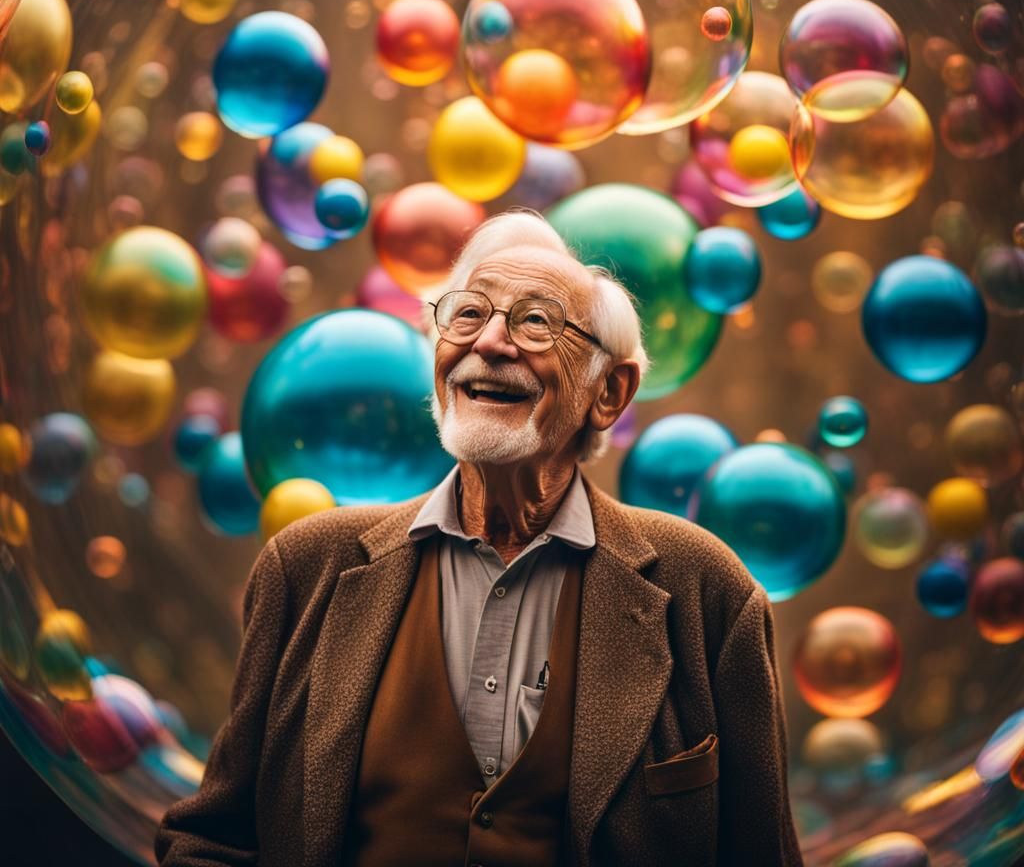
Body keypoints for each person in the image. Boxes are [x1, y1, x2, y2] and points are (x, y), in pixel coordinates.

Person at [155, 209, 804, 866]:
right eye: (466, 315)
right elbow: (213, 840)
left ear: (608, 392)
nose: (489, 342)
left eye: (535, 321)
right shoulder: (305, 567)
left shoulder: (705, 589)